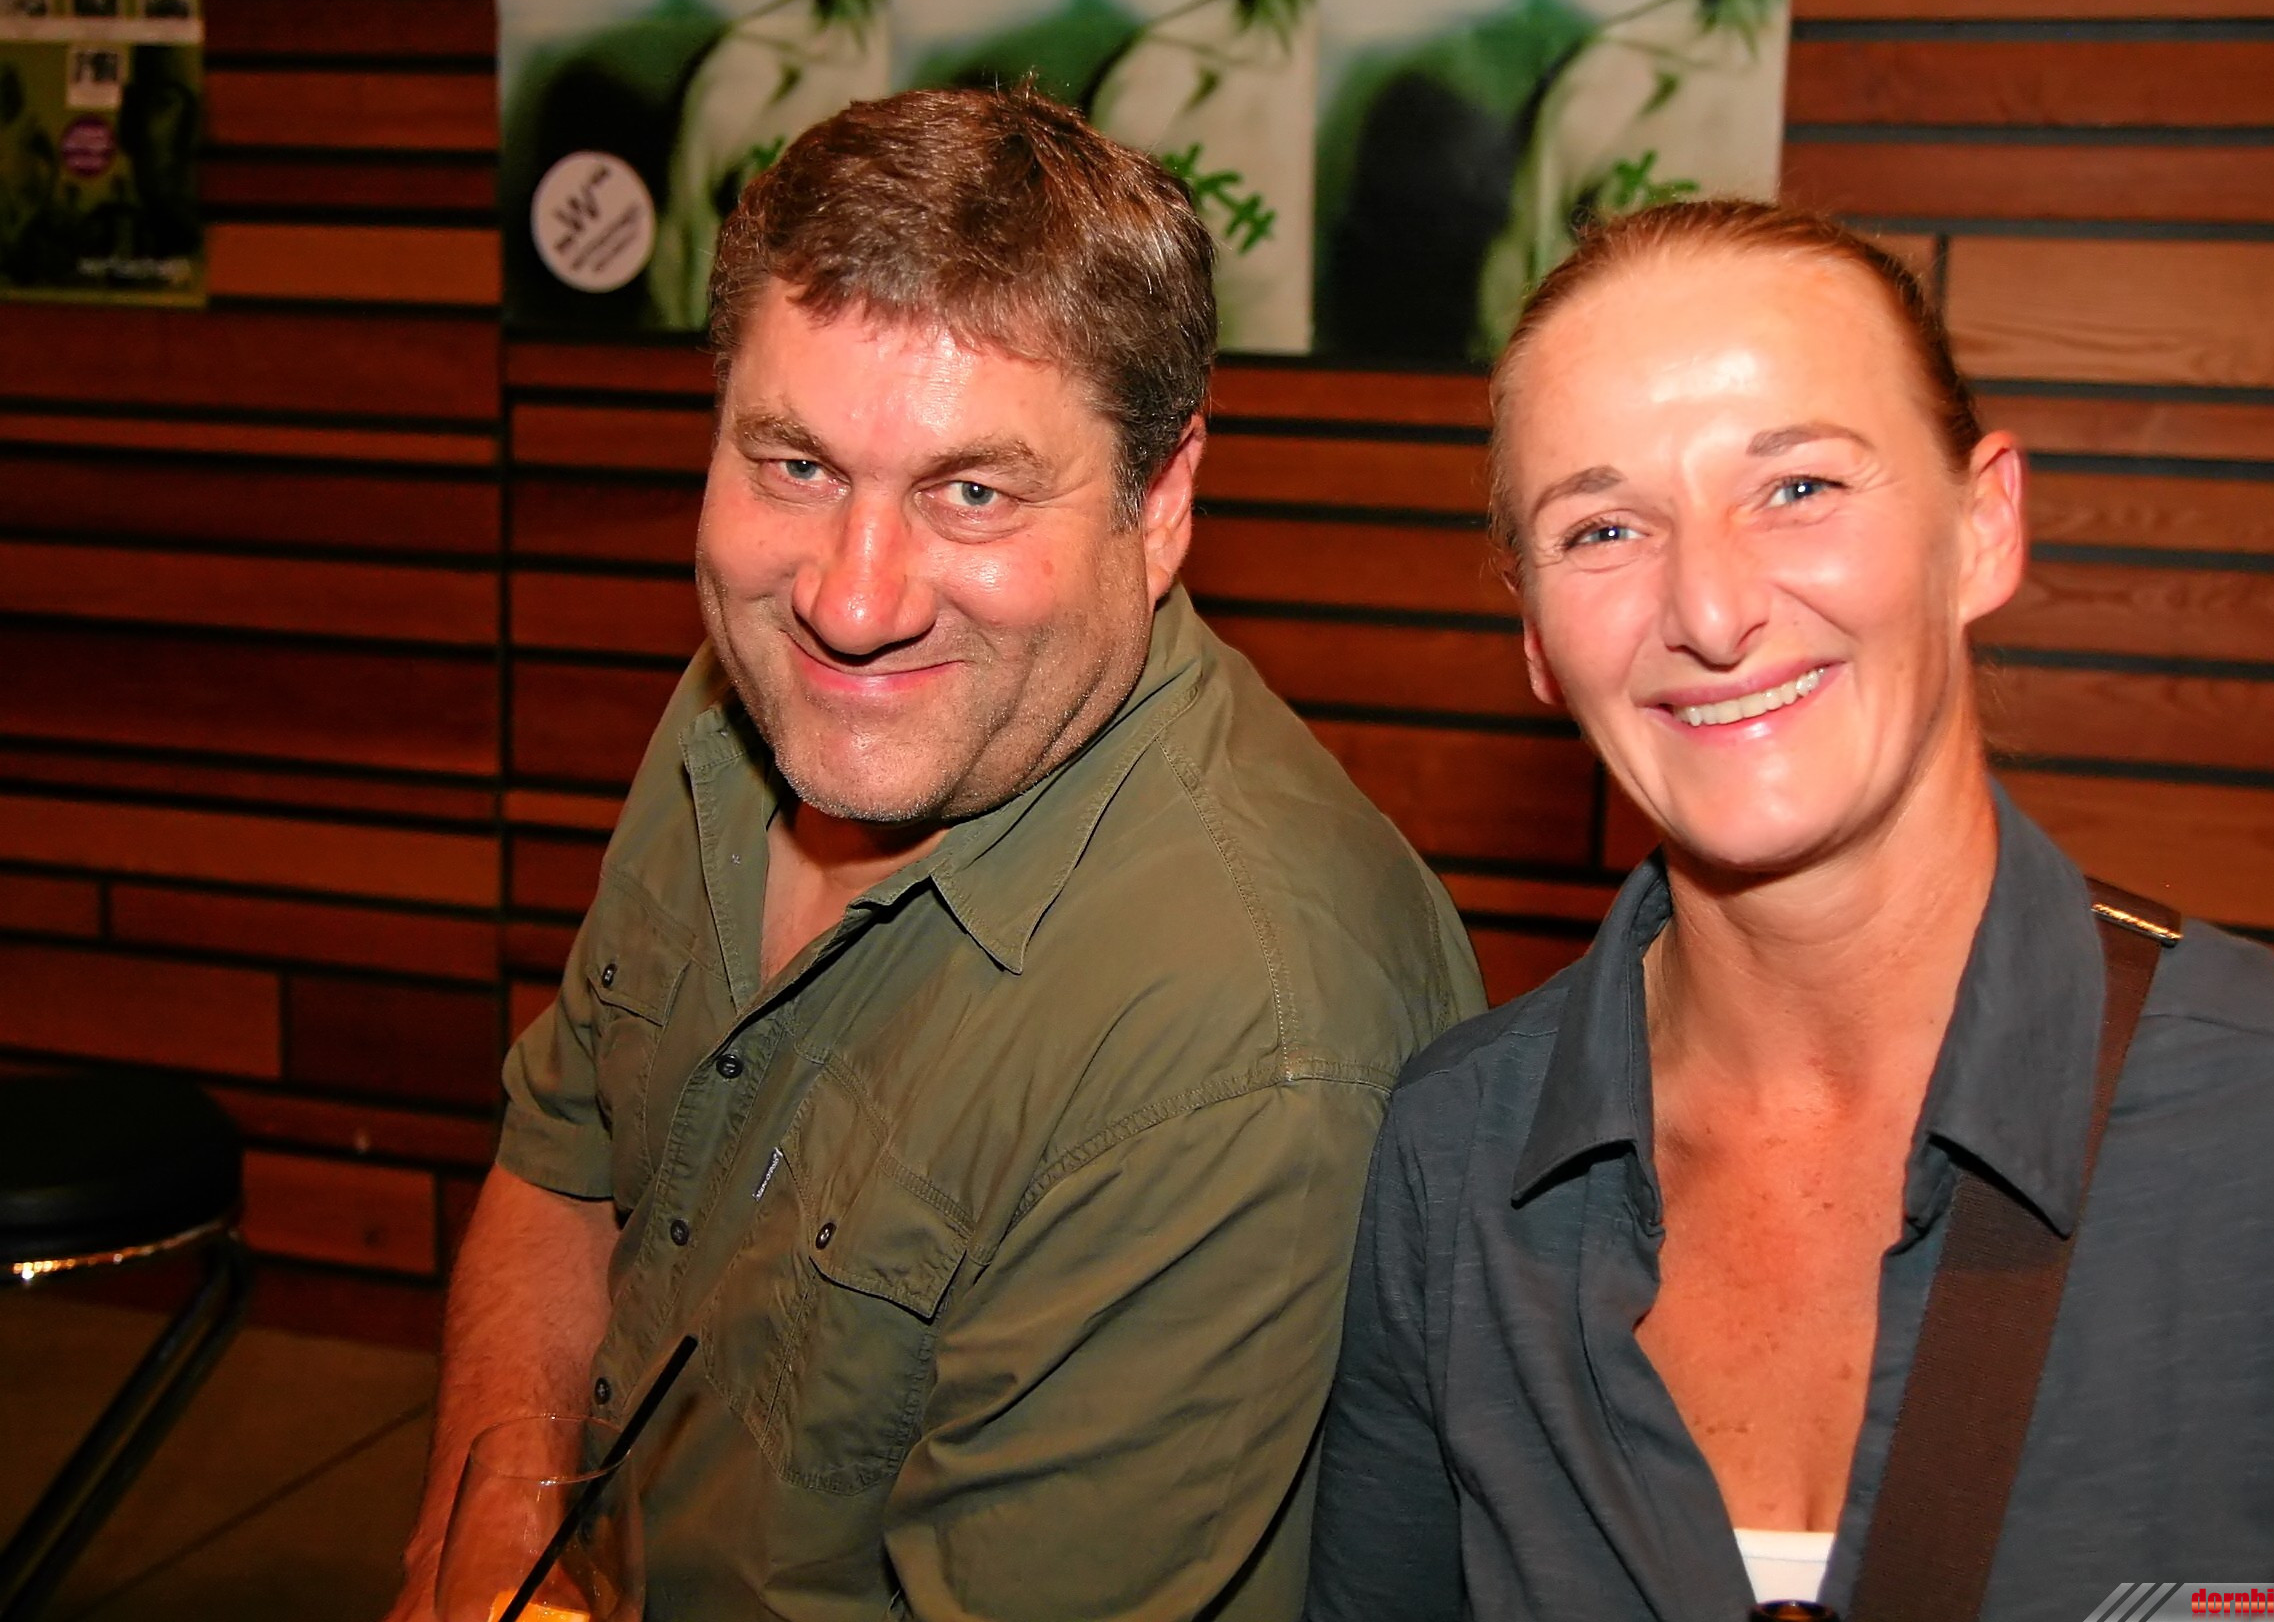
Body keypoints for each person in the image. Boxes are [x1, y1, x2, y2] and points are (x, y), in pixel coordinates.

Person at [1307, 200, 2274, 1621]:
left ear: (1982, 526)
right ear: (1538, 641)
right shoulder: (1454, 1157)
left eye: (1798, 486)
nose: (1711, 610)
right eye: (1604, 527)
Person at [387, 86, 1482, 1621]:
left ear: (1162, 502)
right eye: (795, 466)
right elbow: (563, 1156)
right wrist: (500, 1543)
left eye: (972, 493)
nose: (851, 603)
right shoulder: (748, 706)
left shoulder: (1240, 1041)